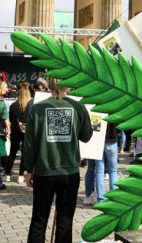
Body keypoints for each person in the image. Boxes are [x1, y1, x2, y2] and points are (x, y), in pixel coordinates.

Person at [24, 77, 92, 243]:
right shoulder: (78, 106)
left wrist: (29, 170)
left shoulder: (37, 108)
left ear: (49, 83)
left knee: (38, 221)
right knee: (64, 223)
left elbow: (29, 144)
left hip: (44, 170)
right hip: (69, 172)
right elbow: (86, 136)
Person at [84, 120, 119, 205]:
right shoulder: (114, 109)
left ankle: (101, 198)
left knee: (99, 171)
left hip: (98, 142)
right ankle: (113, 198)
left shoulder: (98, 110)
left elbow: (94, 127)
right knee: (113, 171)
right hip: (112, 141)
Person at [5, 82, 31, 183]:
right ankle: (20, 175)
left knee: (12, 153)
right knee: (24, 153)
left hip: (16, 130)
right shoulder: (30, 106)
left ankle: (7, 174)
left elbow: (11, 119)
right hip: (27, 131)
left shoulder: (13, 105)